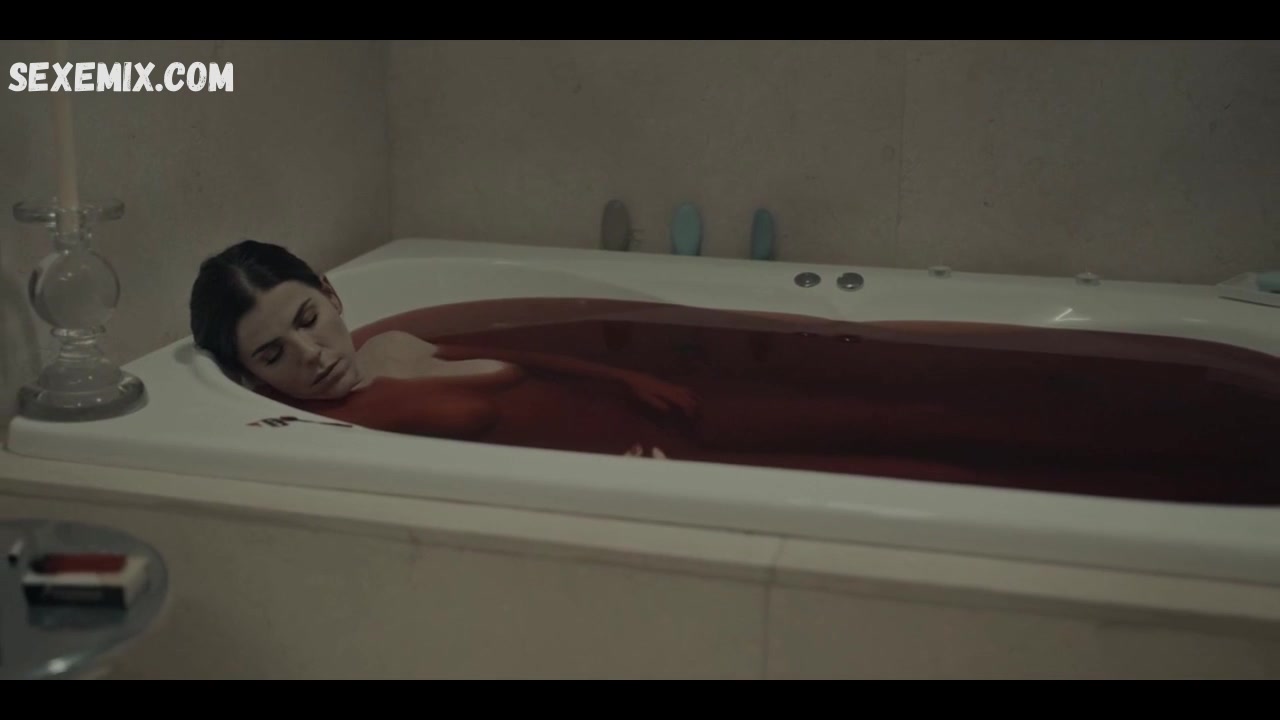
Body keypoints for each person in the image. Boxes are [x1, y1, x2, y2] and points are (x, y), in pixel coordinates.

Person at [188, 240, 1280, 504]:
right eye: (272, 356)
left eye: (305, 320)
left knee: (896, 414)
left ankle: (1190, 459)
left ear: (332, 294)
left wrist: (631, 382)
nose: (311, 357)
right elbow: (500, 461)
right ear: (250, 378)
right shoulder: (354, 427)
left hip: (665, 416)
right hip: (661, 465)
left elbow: (524, 364)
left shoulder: (388, 345)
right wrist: (625, 459)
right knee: (910, 465)